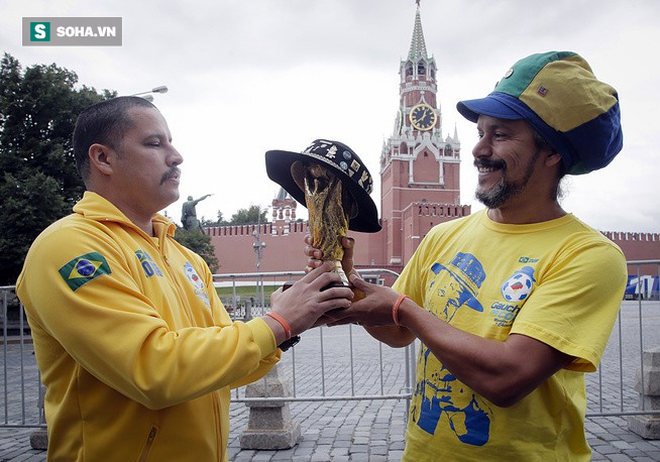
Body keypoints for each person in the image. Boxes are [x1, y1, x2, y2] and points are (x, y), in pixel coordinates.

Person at [305, 51, 627, 461]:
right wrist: (351, 288)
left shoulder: (588, 255)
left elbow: (507, 378)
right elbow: (396, 332)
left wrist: (402, 308)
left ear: (552, 152)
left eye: (501, 134)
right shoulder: (444, 236)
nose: (478, 149)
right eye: (480, 132)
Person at [15, 96, 354, 461]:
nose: (176, 156)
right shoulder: (70, 247)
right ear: (103, 158)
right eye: (154, 143)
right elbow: (154, 371)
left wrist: (301, 313)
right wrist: (278, 323)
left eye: (171, 143)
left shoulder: (185, 257)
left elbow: (222, 368)